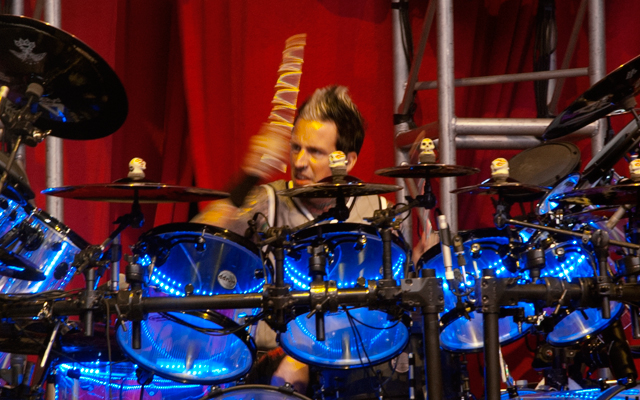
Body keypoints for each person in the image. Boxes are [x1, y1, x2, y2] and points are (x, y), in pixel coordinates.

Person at [193, 85, 434, 397]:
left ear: (347, 161)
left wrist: (417, 263)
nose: (300, 162)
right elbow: (196, 241)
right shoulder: (267, 202)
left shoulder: (377, 211)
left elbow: (394, 297)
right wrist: (248, 176)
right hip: (271, 363)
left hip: (355, 358)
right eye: (296, 148)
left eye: (315, 152)